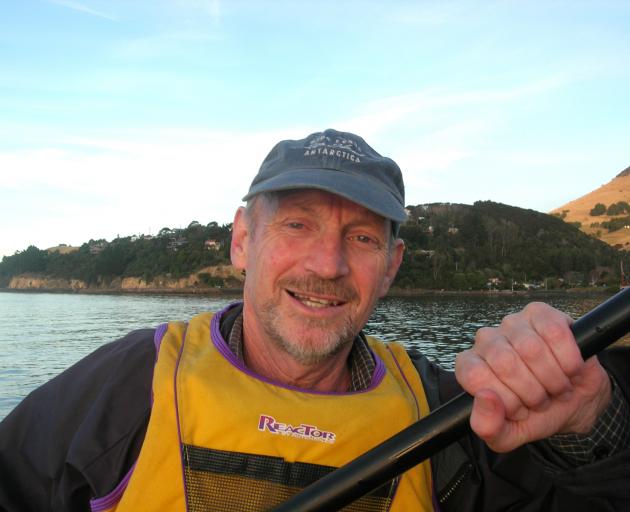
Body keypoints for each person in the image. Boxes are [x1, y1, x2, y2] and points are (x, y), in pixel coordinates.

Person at [1, 129, 629, 512]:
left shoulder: (448, 417)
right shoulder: (125, 389)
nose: (326, 265)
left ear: (391, 266)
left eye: (360, 237)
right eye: (297, 223)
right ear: (243, 240)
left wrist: (592, 425)